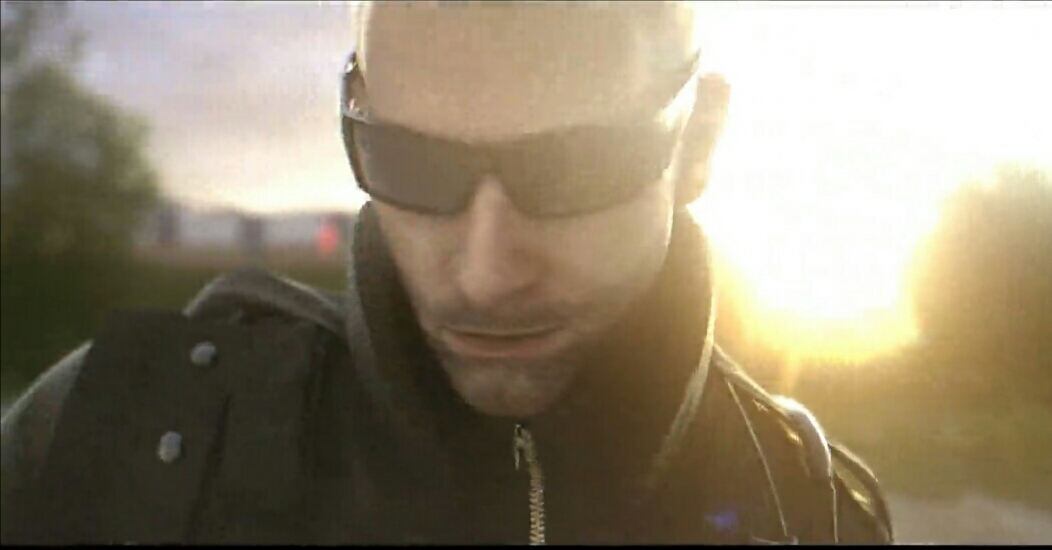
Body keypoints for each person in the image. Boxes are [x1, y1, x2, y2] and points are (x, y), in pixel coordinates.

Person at [1, 2, 894, 544]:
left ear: (698, 143)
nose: (486, 274)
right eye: (413, 164)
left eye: (574, 169)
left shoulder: (812, 507)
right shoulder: (109, 436)